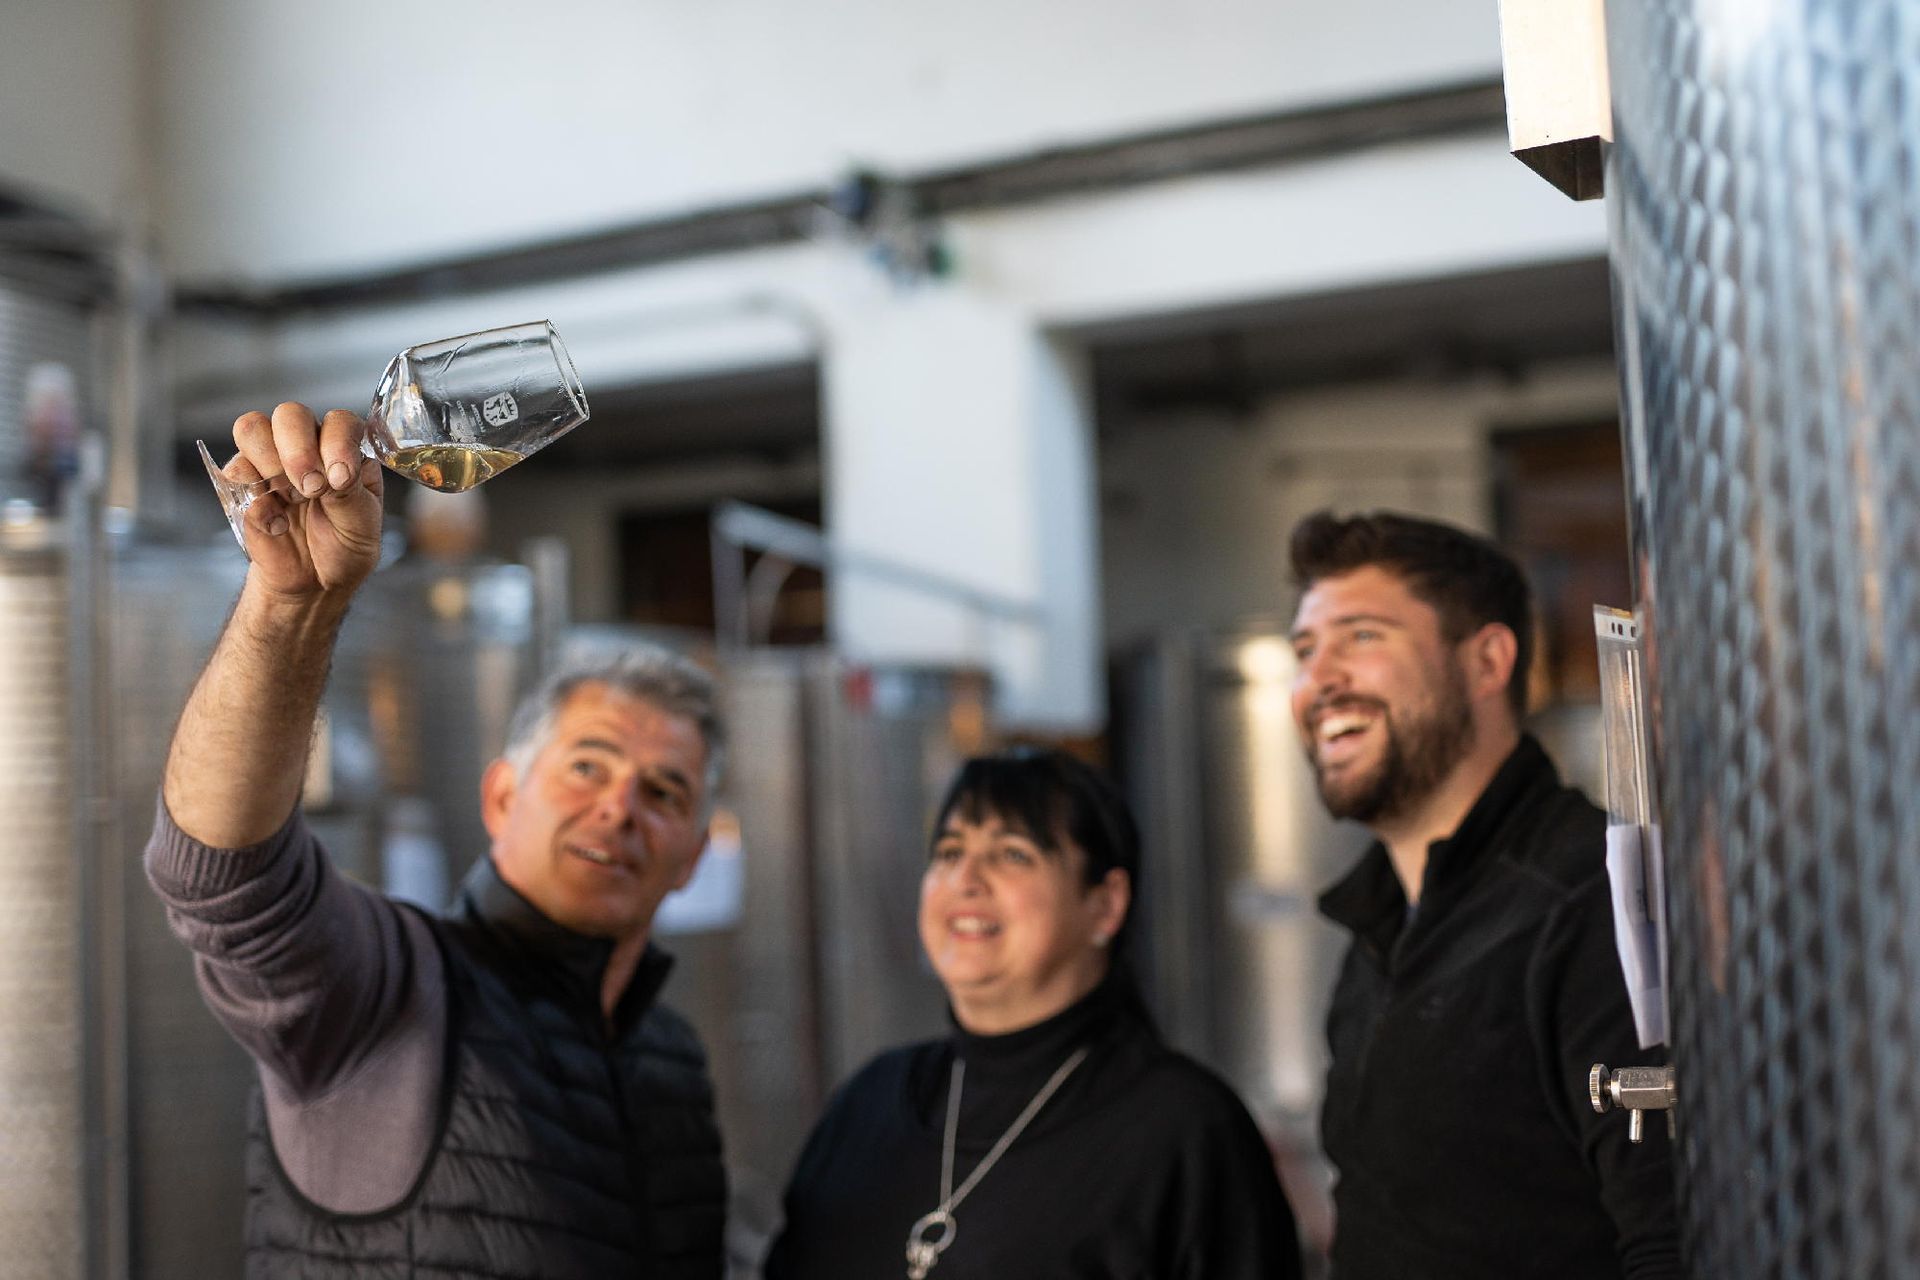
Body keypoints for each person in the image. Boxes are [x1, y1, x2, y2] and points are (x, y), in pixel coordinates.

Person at [145, 403, 726, 1278]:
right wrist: (289, 605)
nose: (619, 809)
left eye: (664, 790)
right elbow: (226, 882)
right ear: (501, 797)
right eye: (587, 768)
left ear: (689, 855)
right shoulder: (393, 991)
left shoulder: (672, 1059)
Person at [1287, 509, 1679, 1279]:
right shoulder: (1374, 935)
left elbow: (1669, 1241)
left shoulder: (1588, 902)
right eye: (1304, 649)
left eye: (1362, 636)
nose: (1319, 678)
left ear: (1487, 662)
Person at [764, 748, 1302, 1280]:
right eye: (949, 852)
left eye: (1012, 854)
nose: (966, 879)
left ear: (1106, 903)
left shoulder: (1185, 1129)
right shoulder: (868, 1102)